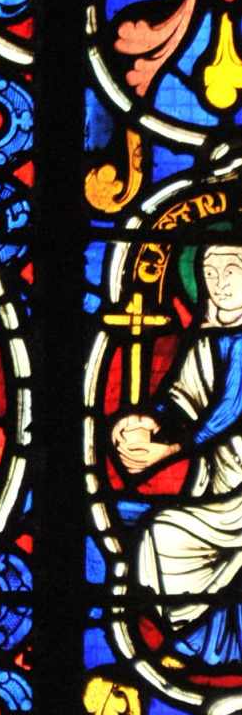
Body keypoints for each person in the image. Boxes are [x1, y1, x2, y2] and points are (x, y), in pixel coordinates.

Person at [115, 243, 242, 664]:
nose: (220, 284)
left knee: (162, 533)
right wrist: (146, 422)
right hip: (219, 482)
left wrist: (167, 450)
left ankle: (211, 646)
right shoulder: (205, 341)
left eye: (232, 271)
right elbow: (181, 401)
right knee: (151, 527)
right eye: (211, 273)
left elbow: (228, 411)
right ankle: (206, 644)